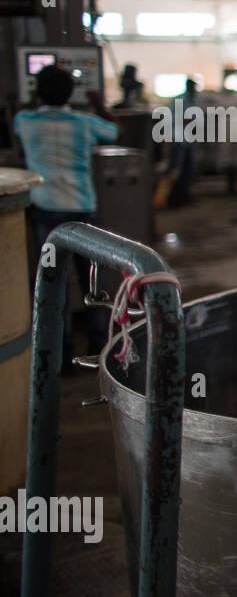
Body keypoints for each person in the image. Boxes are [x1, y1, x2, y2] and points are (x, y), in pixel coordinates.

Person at [14, 65, 118, 370]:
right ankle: (100, 347)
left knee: (53, 282)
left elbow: (20, 119)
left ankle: (63, 353)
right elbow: (115, 131)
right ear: (71, 93)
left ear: (37, 91)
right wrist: (99, 104)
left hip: (46, 211)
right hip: (82, 208)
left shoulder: (26, 121)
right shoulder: (85, 122)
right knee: (92, 282)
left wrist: (35, 99)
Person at [158, 78, 199, 207]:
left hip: (187, 141)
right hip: (178, 139)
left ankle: (182, 196)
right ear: (188, 86)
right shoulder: (180, 100)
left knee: (188, 170)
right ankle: (161, 196)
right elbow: (176, 118)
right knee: (173, 168)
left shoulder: (192, 101)